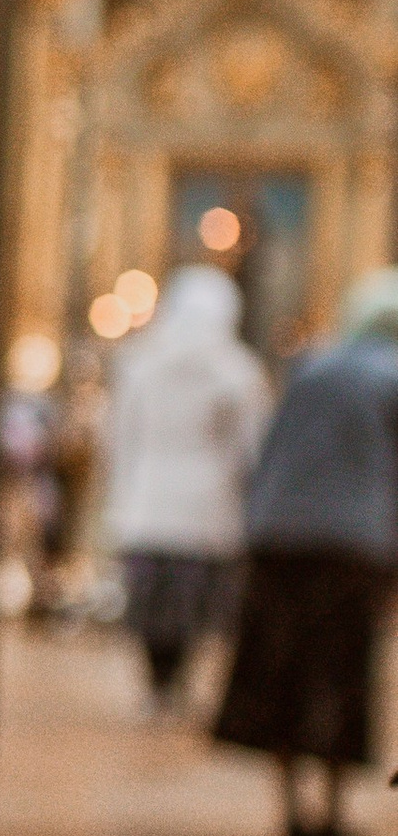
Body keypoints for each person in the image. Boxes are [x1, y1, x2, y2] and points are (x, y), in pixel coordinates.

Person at [214, 269, 398, 836]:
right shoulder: (392, 378)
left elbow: (269, 451)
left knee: (284, 670)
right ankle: (333, 810)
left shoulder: (311, 366)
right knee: (343, 674)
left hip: (279, 539)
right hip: (354, 547)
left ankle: (291, 810)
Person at [99, 263, 270, 705]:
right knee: (191, 604)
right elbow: (252, 445)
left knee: (154, 603)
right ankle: (174, 680)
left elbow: (119, 436)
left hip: (148, 501)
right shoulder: (239, 371)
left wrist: (117, 496)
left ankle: (158, 681)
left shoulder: (140, 362)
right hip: (208, 507)